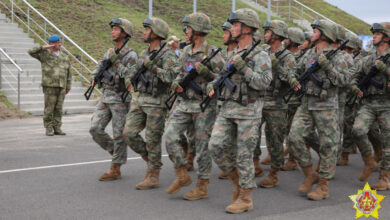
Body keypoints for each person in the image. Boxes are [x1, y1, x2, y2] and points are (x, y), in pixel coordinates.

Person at [208, 8, 272, 213]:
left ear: (247, 28)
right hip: (228, 108)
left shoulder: (260, 55)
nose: (233, 28)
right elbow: (223, 75)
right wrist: (214, 85)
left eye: (236, 25)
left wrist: (244, 68)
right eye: (233, 25)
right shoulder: (233, 52)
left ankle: (245, 198)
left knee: (244, 155)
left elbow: (264, 83)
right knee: (215, 146)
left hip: (249, 111)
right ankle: (237, 181)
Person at [164, 12, 225, 200]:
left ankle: (202, 185)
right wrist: (175, 83)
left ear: (198, 30)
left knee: (202, 146)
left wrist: (207, 73)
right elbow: (178, 73)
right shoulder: (185, 51)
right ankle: (182, 174)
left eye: (188, 28)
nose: (186, 31)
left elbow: (223, 78)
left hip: (203, 106)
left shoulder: (213, 53)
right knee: (170, 136)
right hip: (183, 103)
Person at [288, 19, 347, 200]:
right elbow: (294, 70)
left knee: (329, 146)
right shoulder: (308, 54)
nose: (312, 34)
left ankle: (323, 186)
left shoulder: (339, 57)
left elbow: (343, 81)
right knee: (294, 137)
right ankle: (309, 173)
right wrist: (293, 80)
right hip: (306, 103)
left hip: (326, 106)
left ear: (324, 34)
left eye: (315, 31)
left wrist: (328, 67)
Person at [121, 17, 179, 190]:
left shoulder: (167, 54)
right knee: (128, 133)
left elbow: (171, 77)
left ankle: (153, 175)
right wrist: (128, 79)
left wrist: (154, 68)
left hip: (157, 102)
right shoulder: (144, 52)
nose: (144, 32)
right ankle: (151, 159)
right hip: (141, 98)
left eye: (147, 29)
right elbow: (135, 71)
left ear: (157, 33)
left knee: (152, 139)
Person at [89, 18, 138, 181]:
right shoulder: (110, 51)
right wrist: (94, 76)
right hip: (106, 95)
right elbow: (99, 65)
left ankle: (115, 168)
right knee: (95, 128)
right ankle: (115, 151)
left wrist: (117, 63)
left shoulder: (131, 55)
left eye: (116, 29)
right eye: (113, 29)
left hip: (120, 98)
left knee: (119, 134)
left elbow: (130, 76)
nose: (112, 31)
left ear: (124, 33)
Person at [351, 22, 390, 191]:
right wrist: (354, 87)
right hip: (369, 102)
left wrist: (386, 70)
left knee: (388, 142)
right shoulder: (368, 58)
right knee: (357, 130)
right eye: (373, 33)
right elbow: (355, 75)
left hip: (387, 103)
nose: (373, 36)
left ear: (386, 37)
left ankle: (385, 177)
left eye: (377, 34)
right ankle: (370, 160)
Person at [258, 20, 297, 188]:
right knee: (250, 135)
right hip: (259, 100)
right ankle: (254, 164)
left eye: (267, 32)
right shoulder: (262, 51)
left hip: (277, 104)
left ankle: (273, 174)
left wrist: (277, 66)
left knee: (275, 139)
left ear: (276, 35)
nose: (265, 34)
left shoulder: (287, 57)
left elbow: (291, 79)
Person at [28, 34, 71, 136]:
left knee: (59, 108)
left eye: (60, 42)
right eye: (57, 43)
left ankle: (57, 128)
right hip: (49, 86)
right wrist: (43, 47)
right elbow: (30, 51)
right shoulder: (44, 54)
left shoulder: (64, 56)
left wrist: (68, 85)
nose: (60, 44)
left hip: (62, 85)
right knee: (49, 108)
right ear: (52, 44)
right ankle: (48, 128)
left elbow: (69, 72)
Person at [281, 27, 305, 171]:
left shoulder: (301, 57)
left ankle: (292, 160)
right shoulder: (285, 55)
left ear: (293, 41)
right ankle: (288, 151)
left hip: (296, 99)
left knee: (292, 130)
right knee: (285, 129)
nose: (284, 41)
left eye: (287, 39)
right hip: (285, 99)